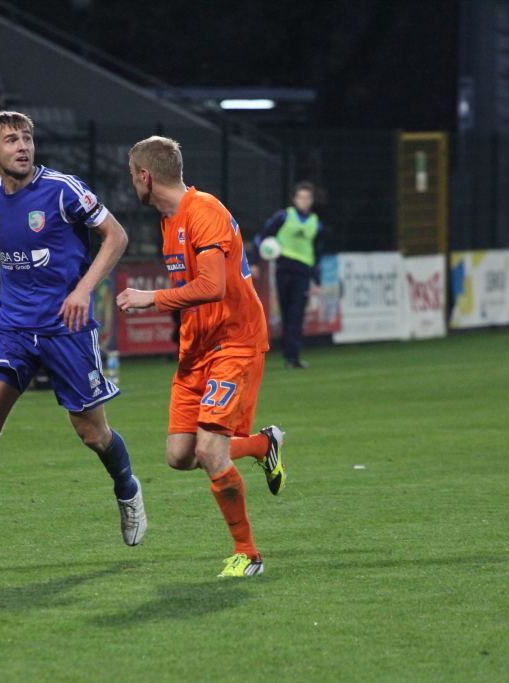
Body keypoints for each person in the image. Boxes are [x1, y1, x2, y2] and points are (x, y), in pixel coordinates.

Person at [0, 111, 146, 561]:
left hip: (65, 328)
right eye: (12, 140)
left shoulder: (63, 189)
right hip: (13, 327)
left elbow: (116, 235)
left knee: (93, 434)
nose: (23, 146)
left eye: (27, 138)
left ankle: (127, 488)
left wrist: (83, 291)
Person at [117, 136, 287, 578]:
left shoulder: (204, 211)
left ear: (145, 176)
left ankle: (248, 553)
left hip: (234, 341)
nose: (131, 183)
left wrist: (149, 298)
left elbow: (213, 287)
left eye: (132, 175)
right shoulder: (170, 220)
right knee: (180, 454)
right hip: (197, 347)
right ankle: (264, 444)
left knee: (211, 449)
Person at [256, 181, 324, 369]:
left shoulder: (315, 223)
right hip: (283, 271)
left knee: (296, 314)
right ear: (295, 199)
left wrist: (317, 280)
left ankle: (292, 356)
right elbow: (262, 236)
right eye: (301, 197)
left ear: (311, 201)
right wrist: (255, 260)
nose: (304, 201)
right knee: (286, 313)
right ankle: (287, 353)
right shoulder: (284, 216)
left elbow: (317, 253)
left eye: (308, 198)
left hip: (303, 274)